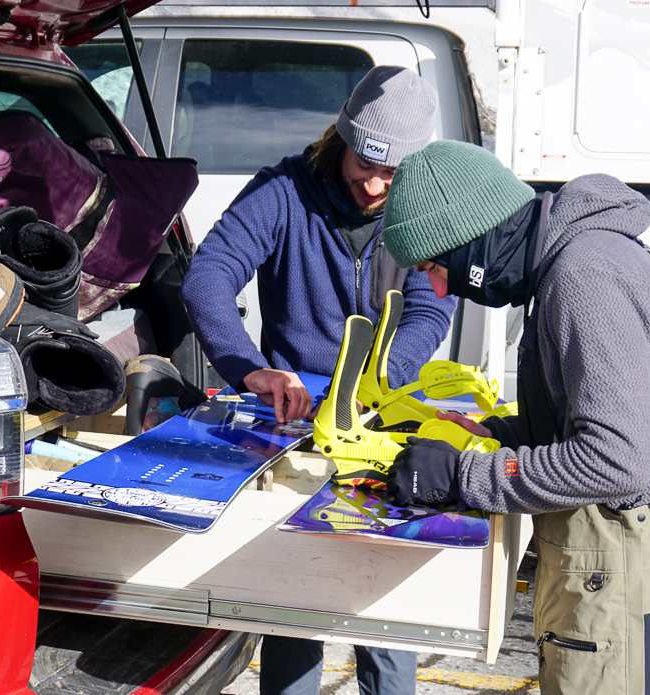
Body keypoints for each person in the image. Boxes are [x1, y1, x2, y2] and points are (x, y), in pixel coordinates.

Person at [379, 140, 650, 694]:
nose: (440, 289)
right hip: (645, 584)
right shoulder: (585, 256)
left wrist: (465, 479)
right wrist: (503, 434)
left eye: (436, 267)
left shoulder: (585, 279)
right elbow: (618, 416)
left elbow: (616, 462)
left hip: (629, 603)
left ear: (478, 237)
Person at [181, 66, 458, 695]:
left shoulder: (421, 204)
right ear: (343, 137)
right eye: (366, 163)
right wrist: (248, 367)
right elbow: (209, 276)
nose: (376, 184)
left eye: (393, 173)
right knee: (293, 599)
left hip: (380, 416)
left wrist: (380, 377)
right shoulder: (283, 191)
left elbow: (431, 306)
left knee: (383, 602)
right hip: (292, 420)